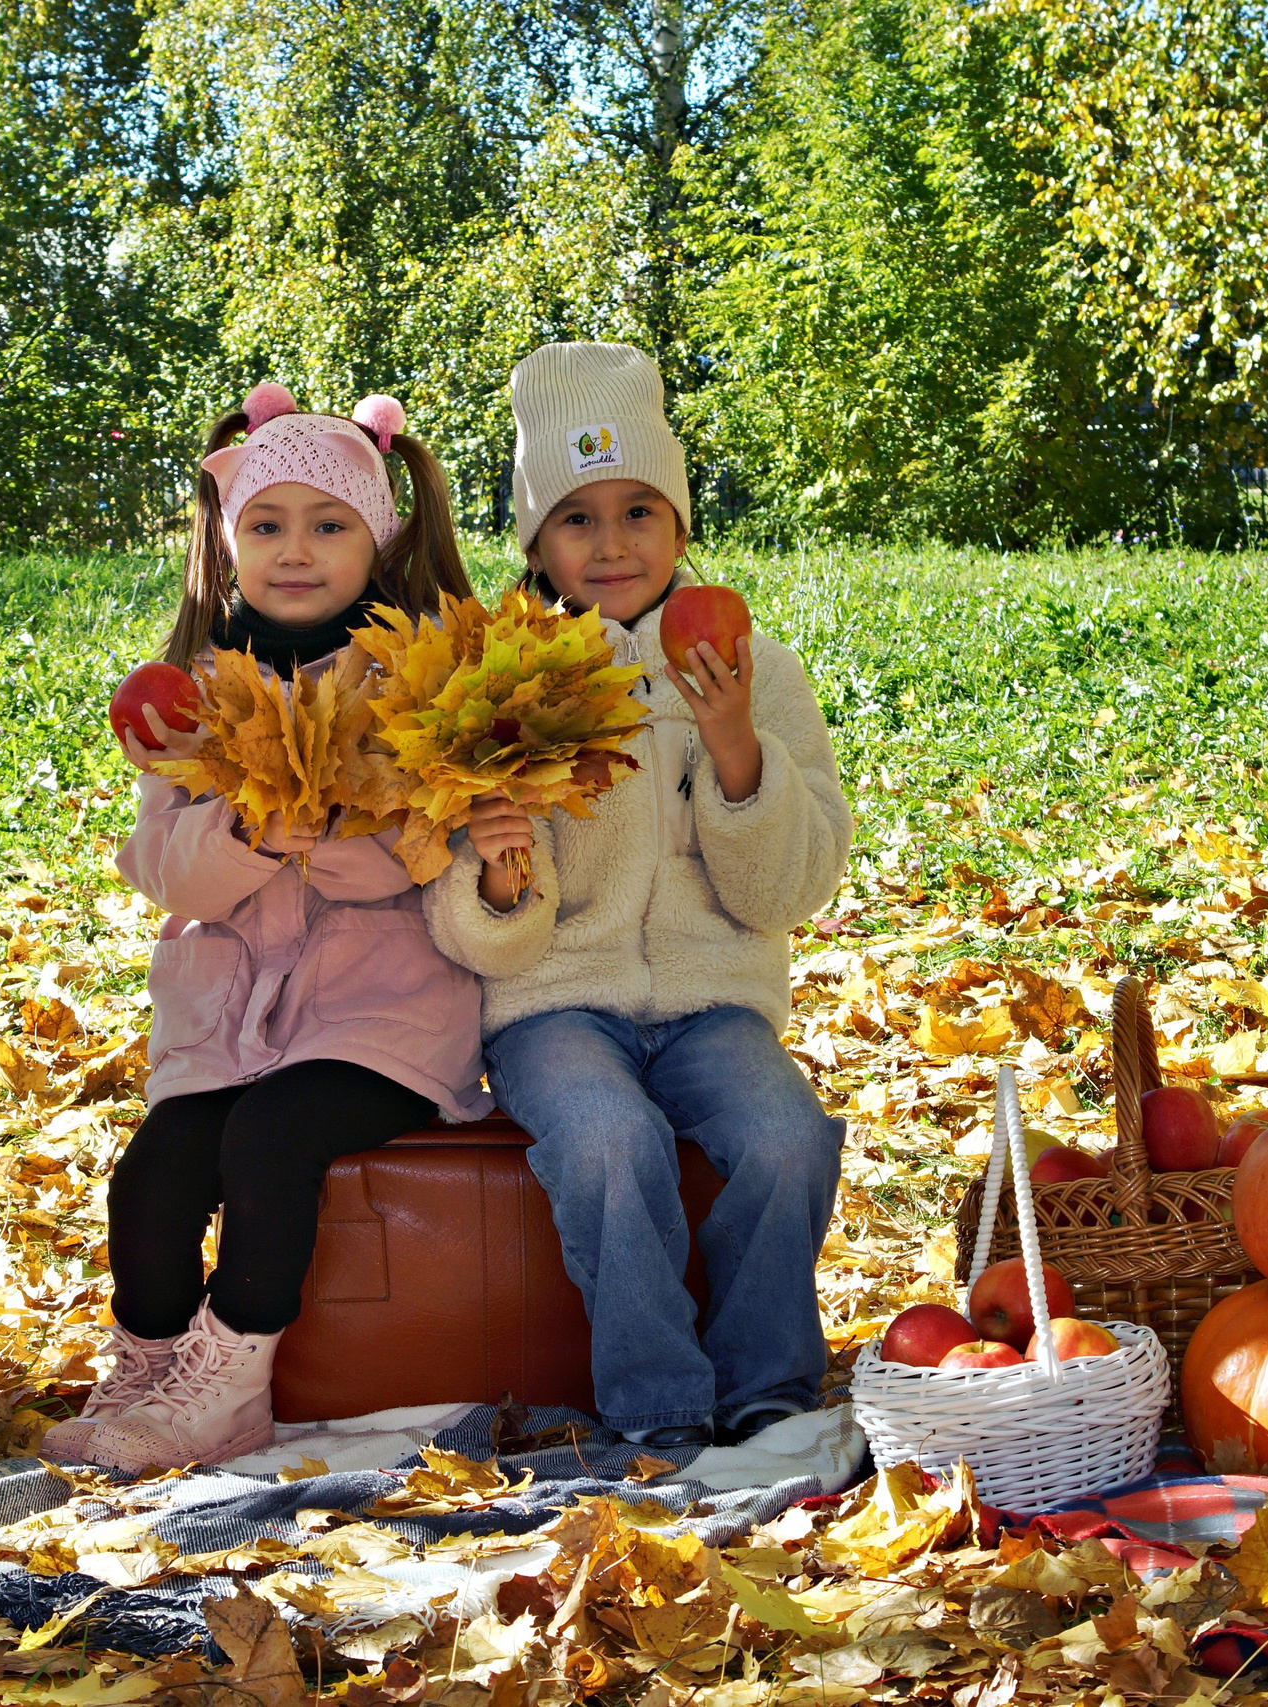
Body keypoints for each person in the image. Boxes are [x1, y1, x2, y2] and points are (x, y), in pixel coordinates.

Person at [44, 383, 488, 1472]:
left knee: (271, 1140)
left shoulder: (413, 679)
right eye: (267, 525)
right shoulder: (194, 693)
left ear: (375, 543)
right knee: (155, 1172)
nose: (296, 551)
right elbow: (159, 866)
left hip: (376, 1012)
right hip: (231, 1018)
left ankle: (230, 1380)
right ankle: (148, 1366)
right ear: (229, 539)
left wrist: (317, 836)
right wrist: (243, 835)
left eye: (328, 525)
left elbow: (432, 844)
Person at [422, 343, 855, 1449]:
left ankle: (767, 1393)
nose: (611, 544)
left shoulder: (758, 667)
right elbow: (470, 920)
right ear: (535, 539)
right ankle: (659, 1409)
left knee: (785, 1136)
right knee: (611, 1140)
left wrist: (732, 748)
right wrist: (505, 882)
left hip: (713, 998)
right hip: (557, 1003)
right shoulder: (505, 673)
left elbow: (786, 893)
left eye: (638, 511)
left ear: (681, 524)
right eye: (576, 518)